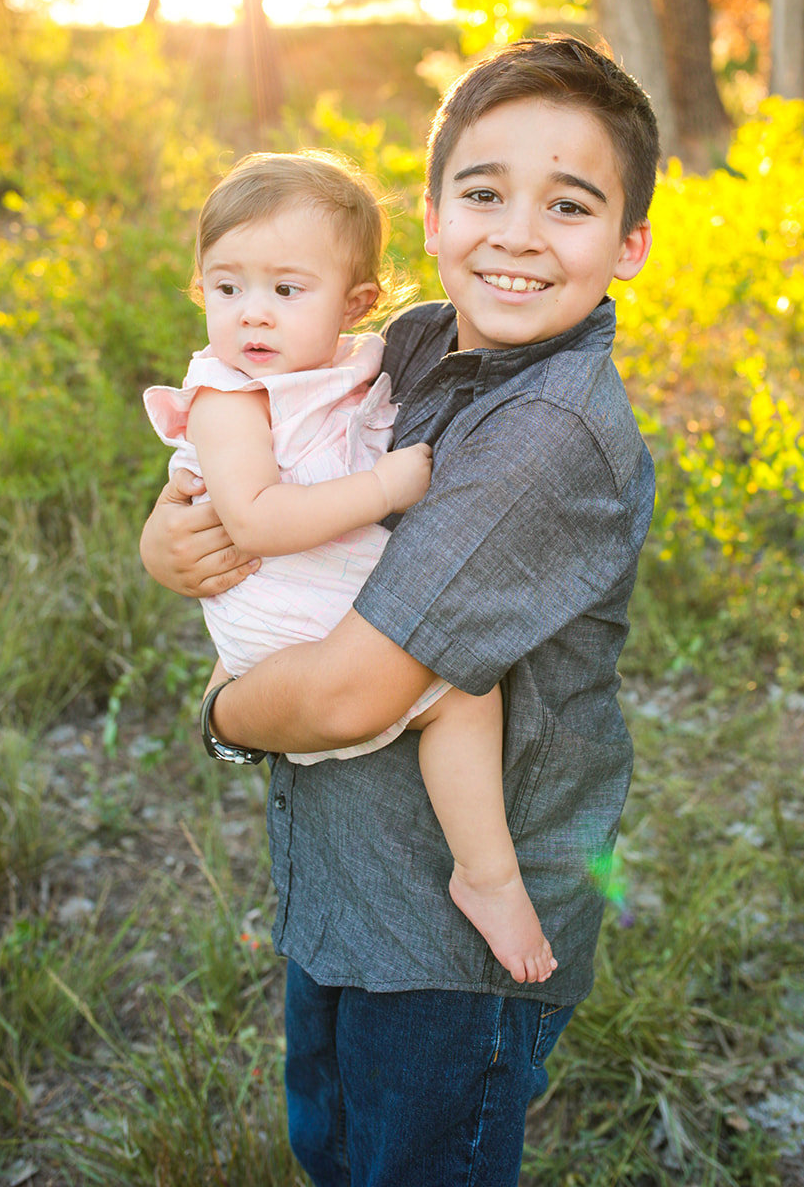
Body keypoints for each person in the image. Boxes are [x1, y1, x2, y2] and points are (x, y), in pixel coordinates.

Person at [140, 36, 660, 1187]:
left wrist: (225, 713)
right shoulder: (418, 341)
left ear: (627, 245)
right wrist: (170, 539)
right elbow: (243, 444)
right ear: (430, 214)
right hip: (349, 877)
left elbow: (341, 695)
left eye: (568, 205)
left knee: (413, 1163)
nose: (517, 233)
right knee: (334, 1147)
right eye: (484, 193)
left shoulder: (544, 438)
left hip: (445, 951)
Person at [143, 151, 557, 985]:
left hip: (319, 589)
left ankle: (484, 872)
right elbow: (254, 516)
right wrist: (381, 486)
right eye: (227, 289)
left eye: (285, 291)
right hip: (281, 596)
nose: (251, 316)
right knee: (460, 692)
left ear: (356, 303)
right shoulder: (230, 397)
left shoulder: (350, 365)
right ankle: (488, 874)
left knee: (461, 690)